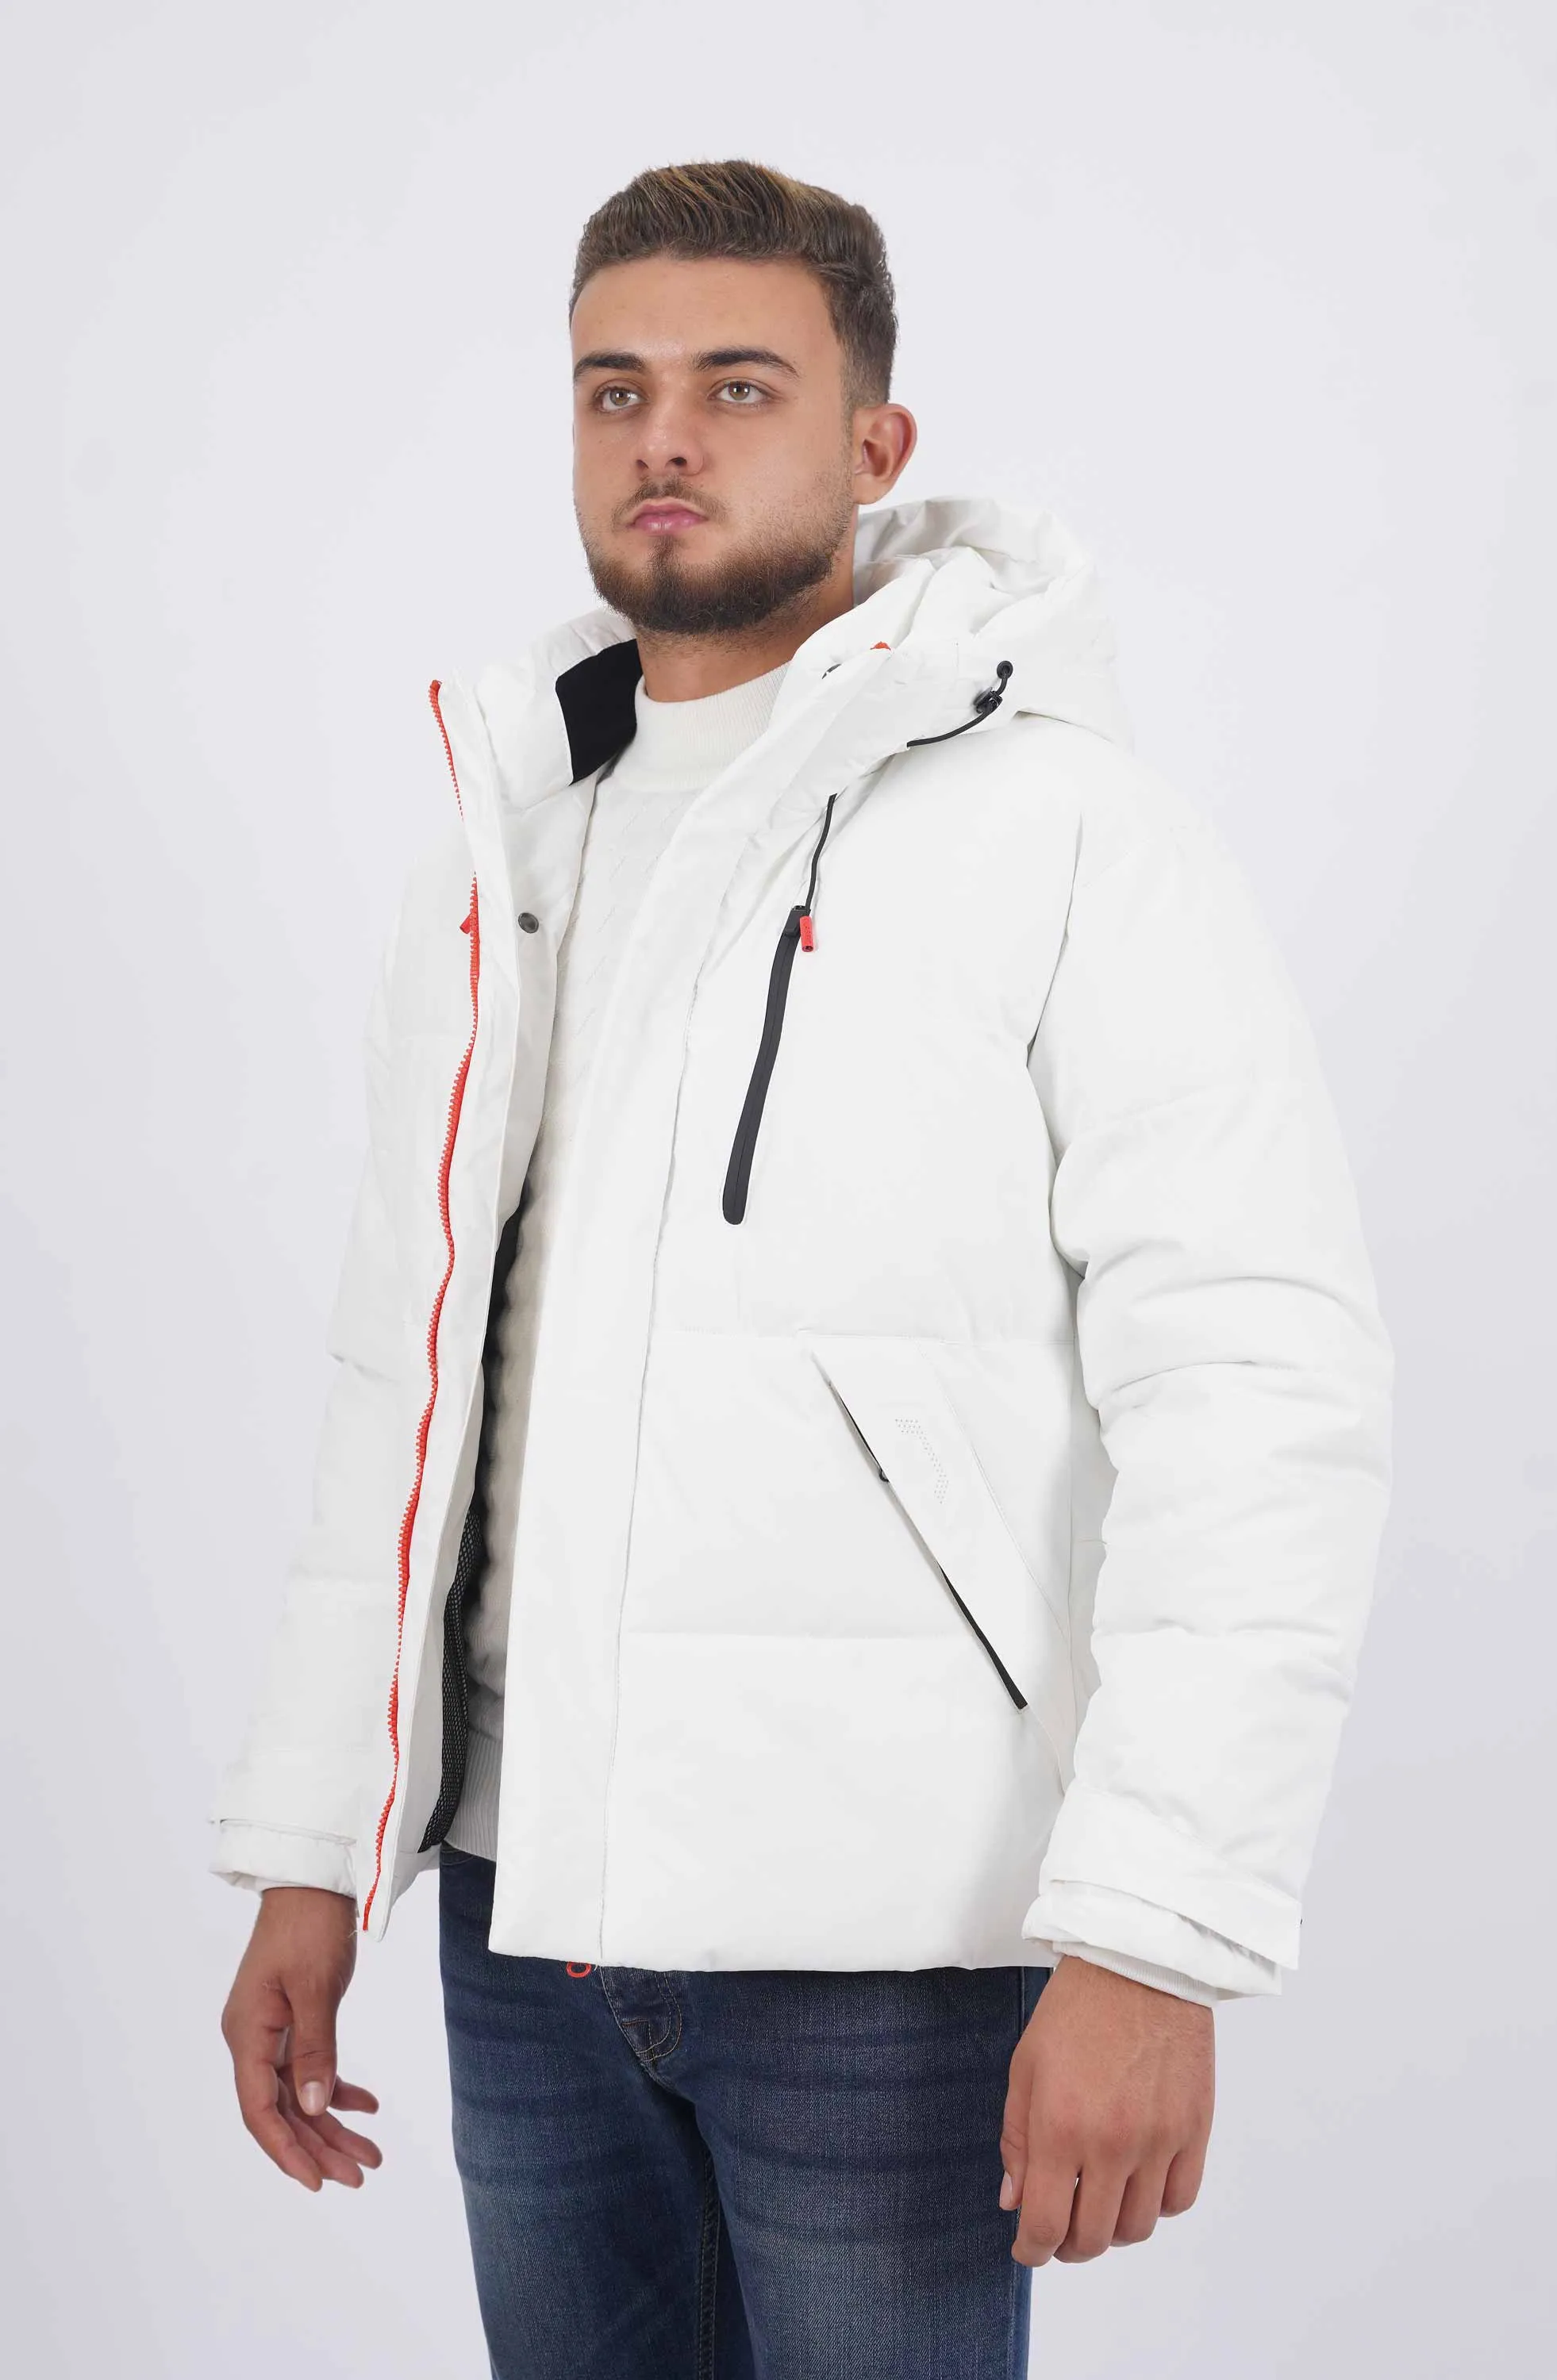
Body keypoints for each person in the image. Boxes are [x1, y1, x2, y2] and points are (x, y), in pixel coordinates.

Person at [212, 159, 1394, 2378]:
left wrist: (1154, 1934)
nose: (664, 437)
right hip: (521, 1928)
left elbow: (1256, 1394)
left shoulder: (1067, 833)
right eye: (615, 389)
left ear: (874, 441)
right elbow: (411, 1395)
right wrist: (311, 1847)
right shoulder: (506, 857)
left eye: (737, 386)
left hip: (895, 1954)